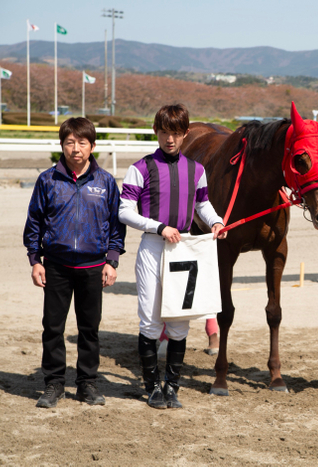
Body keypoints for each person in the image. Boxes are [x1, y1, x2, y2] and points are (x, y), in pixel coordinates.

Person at [119, 104, 227, 409]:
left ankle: (172, 387)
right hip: (153, 247)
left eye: (177, 133)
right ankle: (153, 387)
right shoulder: (140, 168)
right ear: (156, 131)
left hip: (184, 248)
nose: (170, 139)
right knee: (151, 323)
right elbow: (124, 211)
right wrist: (159, 227)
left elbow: (203, 204)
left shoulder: (197, 170)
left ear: (186, 134)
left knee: (180, 325)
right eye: (165, 132)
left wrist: (216, 221)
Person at [23, 117, 125, 408]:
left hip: (93, 267)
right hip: (56, 266)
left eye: (82, 142)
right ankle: (54, 384)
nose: (76, 148)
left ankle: (87, 384)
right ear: (62, 145)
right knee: (53, 327)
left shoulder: (105, 181)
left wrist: (112, 260)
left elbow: (116, 225)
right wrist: (35, 259)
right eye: (70, 142)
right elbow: (34, 221)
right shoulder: (47, 180)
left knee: (89, 328)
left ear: (92, 146)